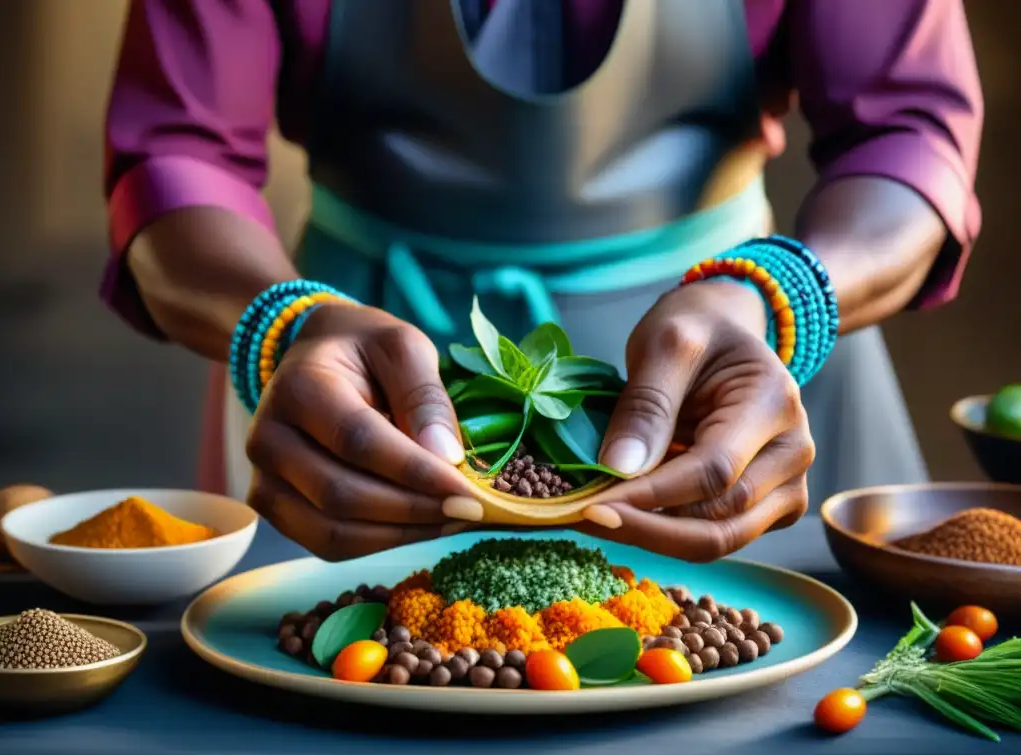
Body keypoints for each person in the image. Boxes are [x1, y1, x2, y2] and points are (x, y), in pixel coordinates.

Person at [102, 0, 982, 563]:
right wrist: (288, 328)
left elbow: (908, 132)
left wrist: (774, 294)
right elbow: (176, 153)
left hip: (739, 371)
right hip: (354, 383)